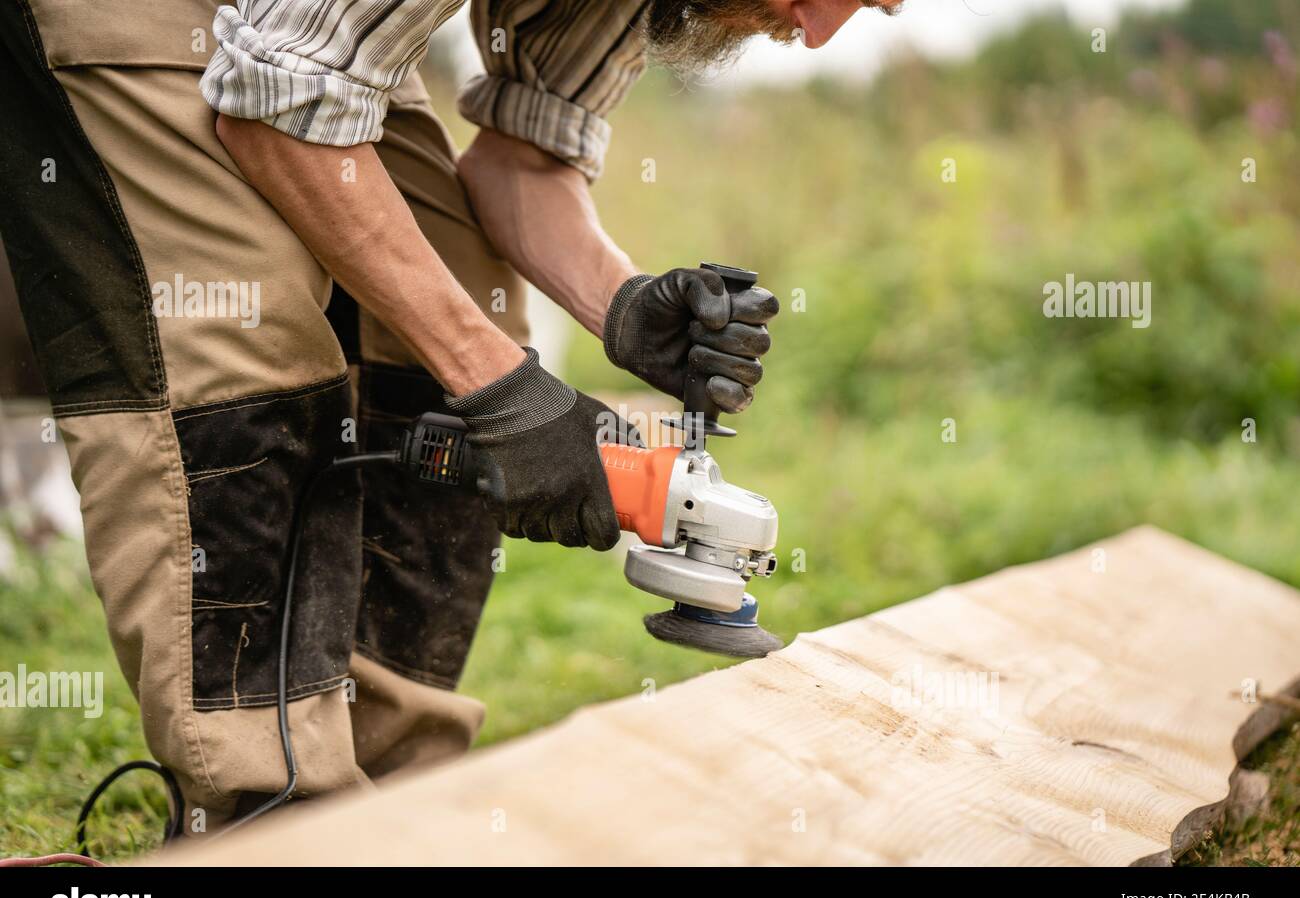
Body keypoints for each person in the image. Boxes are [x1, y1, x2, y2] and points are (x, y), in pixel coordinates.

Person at [0, 0, 903, 830]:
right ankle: (269, 813)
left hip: (300, 28)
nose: (818, 32)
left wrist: (621, 306)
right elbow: (275, 104)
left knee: (458, 291)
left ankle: (392, 786)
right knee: (247, 332)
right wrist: (504, 392)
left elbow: (520, 159)